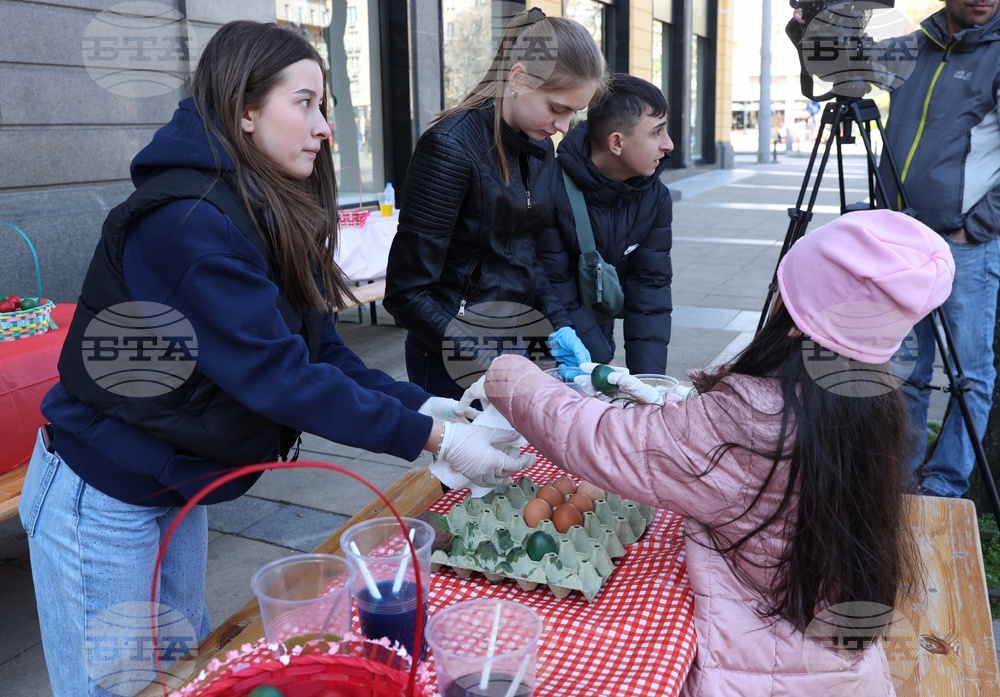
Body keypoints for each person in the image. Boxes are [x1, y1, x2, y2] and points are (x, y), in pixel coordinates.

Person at [18, 21, 526, 697]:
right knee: (114, 685)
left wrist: (430, 407)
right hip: (104, 491)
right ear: (245, 109)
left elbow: (321, 354)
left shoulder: (264, 207)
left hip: (176, 479)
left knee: (183, 673)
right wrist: (435, 439)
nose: (324, 128)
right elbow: (279, 379)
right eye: (306, 103)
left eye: (325, 108)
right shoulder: (187, 222)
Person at [479, 210, 955, 695]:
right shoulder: (872, 407)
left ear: (795, 323)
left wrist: (507, 373)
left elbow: (599, 438)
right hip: (843, 670)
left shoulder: (749, 418)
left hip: (748, 672)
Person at [791, 0, 1000, 498]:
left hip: (963, 246)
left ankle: (944, 485)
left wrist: (977, 227)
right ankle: (897, 481)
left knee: (970, 373)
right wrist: (811, 27)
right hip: (902, 238)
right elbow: (844, 71)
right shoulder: (916, 43)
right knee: (902, 369)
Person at [383, 8, 606, 398]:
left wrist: (558, 326)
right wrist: (486, 359)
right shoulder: (449, 149)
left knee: (526, 457)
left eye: (574, 112)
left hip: (515, 340)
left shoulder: (539, 148)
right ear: (518, 78)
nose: (563, 126)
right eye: (557, 108)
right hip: (448, 354)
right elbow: (407, 295)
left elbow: (526, 253)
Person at [536, 72, 673, 374]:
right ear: (616, 143)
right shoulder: (550, 189)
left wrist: (646, 380)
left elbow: (650, 290)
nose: (669, 145)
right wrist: (602, 364)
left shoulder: (655, 197)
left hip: (598, 341)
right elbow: (556, 287)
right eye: (657, 133)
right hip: (545, 350)